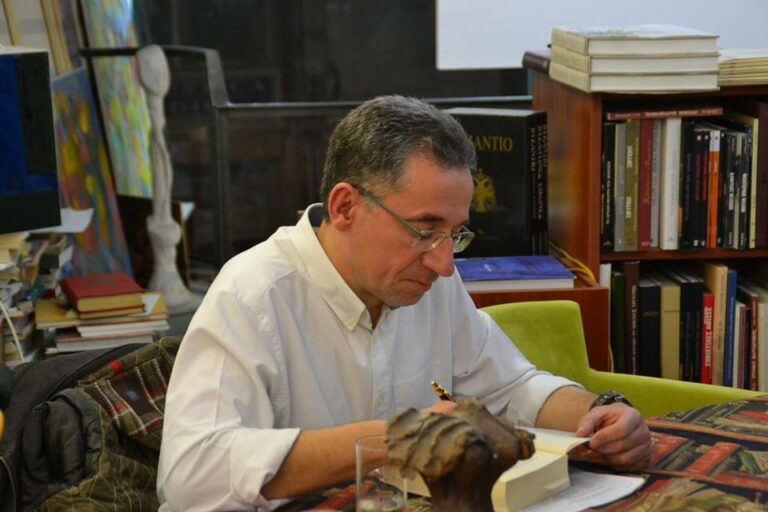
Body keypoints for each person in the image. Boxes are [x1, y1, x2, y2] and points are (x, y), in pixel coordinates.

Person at [157, 95, 650, 511]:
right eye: (423, 230)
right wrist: (392, 440)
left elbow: (510, 385)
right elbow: (190, 476)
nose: (443, 264)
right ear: (345, 206)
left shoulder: (429, 279)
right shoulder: (252, 296)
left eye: (455, 235)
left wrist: (600, 413)